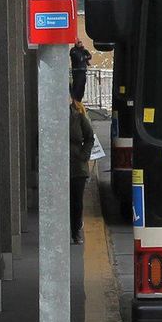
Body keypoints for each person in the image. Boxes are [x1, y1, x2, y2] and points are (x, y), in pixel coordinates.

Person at [69, 97, 95, 244]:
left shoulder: (79, 117)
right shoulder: (51, 119)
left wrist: (83, 155)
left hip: (78, 167)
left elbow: (90, 138)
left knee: (76, 201)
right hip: (59, 167)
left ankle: (76, 231)